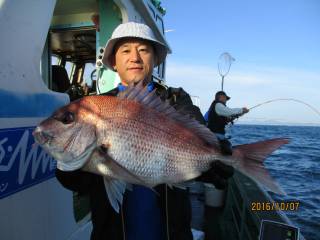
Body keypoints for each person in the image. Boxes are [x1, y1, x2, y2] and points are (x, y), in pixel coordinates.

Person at [56, 22, 233, 240]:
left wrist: (212, 152)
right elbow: (80, 183)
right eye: (126, 50)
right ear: (113, 61)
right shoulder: (96, 107)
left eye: (143, 50)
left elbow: (192, 120)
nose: (135, 57)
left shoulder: (176, 100)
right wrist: (67, 165)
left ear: (155, 59)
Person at [207, 91, 249, 155]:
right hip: (215, 134)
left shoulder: (218, 107)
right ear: (221, 97)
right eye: (225, 98)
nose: (226, 100)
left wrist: (241, 113)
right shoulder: (218, 105)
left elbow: (228, 116)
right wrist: (242, 110)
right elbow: (229, 111)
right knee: (227, 152)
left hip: (216, 134)